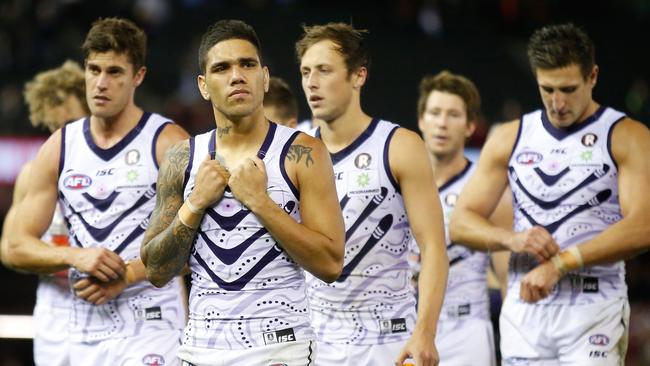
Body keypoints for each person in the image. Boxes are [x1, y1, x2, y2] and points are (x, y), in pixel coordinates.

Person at [140, 19, 345, 365]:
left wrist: (260, 202)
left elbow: (330, 264)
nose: (237, 75)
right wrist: (194, 203)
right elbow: (156, 271)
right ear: (203, 86)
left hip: (280, 350)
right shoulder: (182, 158)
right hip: (200, 349)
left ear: (264, 78)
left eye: (247, 64)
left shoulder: (305, 152)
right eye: (222, 68)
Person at [450, 23, 650, 365]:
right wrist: (511, 240)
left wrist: (561, 263)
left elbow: (643, 228)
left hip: (592, 307)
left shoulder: (626, 136)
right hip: (524, 308)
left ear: (593, 77)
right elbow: (460, 223)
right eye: (547, 89)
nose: (557, 103)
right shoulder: (510, 137)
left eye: (569, 89)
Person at [7, 17, 189, 366]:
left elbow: (200, 245)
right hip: (80, 327)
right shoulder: (59, 147)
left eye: (115, 72)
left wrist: (128, 275)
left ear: (138, 76)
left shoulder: (169, 143)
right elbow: (16, 246)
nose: (101, 83)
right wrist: (75, 256)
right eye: (94, 70)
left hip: (151, 324)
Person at [296, 23, 448, 366]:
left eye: (324, 70)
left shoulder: (400, 146)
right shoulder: (293, 151)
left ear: (358, 76)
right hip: (313, 341)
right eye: (306, 72)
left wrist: (425, 331)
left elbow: (434, 247)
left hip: (387, 340)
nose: (312, 83)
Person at [412, 70, 514, 365]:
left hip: (466, 328)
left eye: (453, 115)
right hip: (407, 325)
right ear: (421, 121)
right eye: (434, 113)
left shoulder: (490, 190)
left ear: (470, 125)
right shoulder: (398, 182)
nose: (442, 123)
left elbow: (506, 277)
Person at [0, 60, 89, 366]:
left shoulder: (119, 174)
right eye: (53, 127)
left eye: (71, 124)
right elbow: (9, 249)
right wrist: (65, 258)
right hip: (54, 313)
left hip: (111, 304)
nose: (61, 136)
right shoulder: (31, 174)